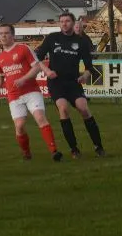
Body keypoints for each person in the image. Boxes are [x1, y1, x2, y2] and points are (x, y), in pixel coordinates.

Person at [0, 24, 63, 162]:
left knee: (40, 117)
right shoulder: (0, 58)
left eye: (6, 33)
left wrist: (24, 79)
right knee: (19, 126)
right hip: (14, 95)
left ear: (13, 35)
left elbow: (37, 67)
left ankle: (54, 151)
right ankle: (26, 152)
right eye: (1, 33)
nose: (3, 36)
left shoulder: (23, 48)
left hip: (31, 91)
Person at [35, 12, 106, 158]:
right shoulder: (52, 38)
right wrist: (47, 71)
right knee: (63, 109)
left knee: (83, 109)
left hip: (73, 82)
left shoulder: (81, 42)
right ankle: (74, 149)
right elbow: (37, 58)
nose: (64, 23)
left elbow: (89, 67)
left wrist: (84, 76)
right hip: (56, 82)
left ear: (73, 23)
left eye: (67, 21)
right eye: (62, 21)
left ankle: (98, 146)